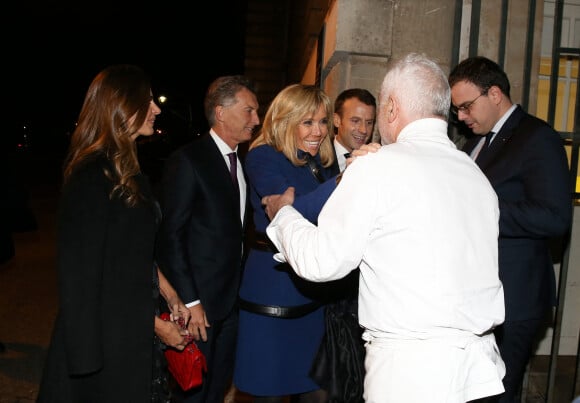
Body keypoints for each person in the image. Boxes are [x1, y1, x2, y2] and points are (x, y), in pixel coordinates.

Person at [262, 53, 507, 402]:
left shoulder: (378, 168)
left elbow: (320, 261)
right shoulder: (475, 175)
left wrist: (284, 214)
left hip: (410, 373)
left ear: (391, 107)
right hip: (480, 374)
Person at [36, 64, 192, 403]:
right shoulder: (91, 176)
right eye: (147, 101)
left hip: (128, 330)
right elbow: (86, 277)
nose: (157, 109)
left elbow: (133, 250)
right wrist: (156, 325)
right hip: (105, 342)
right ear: (121, 107)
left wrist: (169, 293)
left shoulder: (127, 170)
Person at [448, 56, 572, 403]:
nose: (461, 117)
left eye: (467, 106)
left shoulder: (537, 137)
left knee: (498, 393)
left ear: (496, 94)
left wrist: (482, 212)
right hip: (479, 297)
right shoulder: (475, 143)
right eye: (457, 109)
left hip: (515, 297)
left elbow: (554, 217)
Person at [234, 83, 344, 403]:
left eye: (323, 122)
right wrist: (347, 181)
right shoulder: (262, 156)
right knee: (267, 393)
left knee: (317, 394)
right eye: (307, 122)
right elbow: (293, 213)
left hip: (311, 301)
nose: (319, 131)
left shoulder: (319, 163)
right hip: (272, 299)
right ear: (284, 121)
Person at [155, 75, 260, 403]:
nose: (256, 120)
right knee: (192, 392)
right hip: (198, 306)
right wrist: (190, 301)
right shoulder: (189, 160)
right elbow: (171, 236)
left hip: (231, 303)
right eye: (249, 111)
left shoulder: (238, 162)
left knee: (215, 389)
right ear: (221, 112)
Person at [332, 88, 376, 172]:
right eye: (355, 121)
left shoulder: (374, 160)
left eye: (369, 122)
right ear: (337, 120)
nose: (364, 130)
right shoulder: (317, 158)